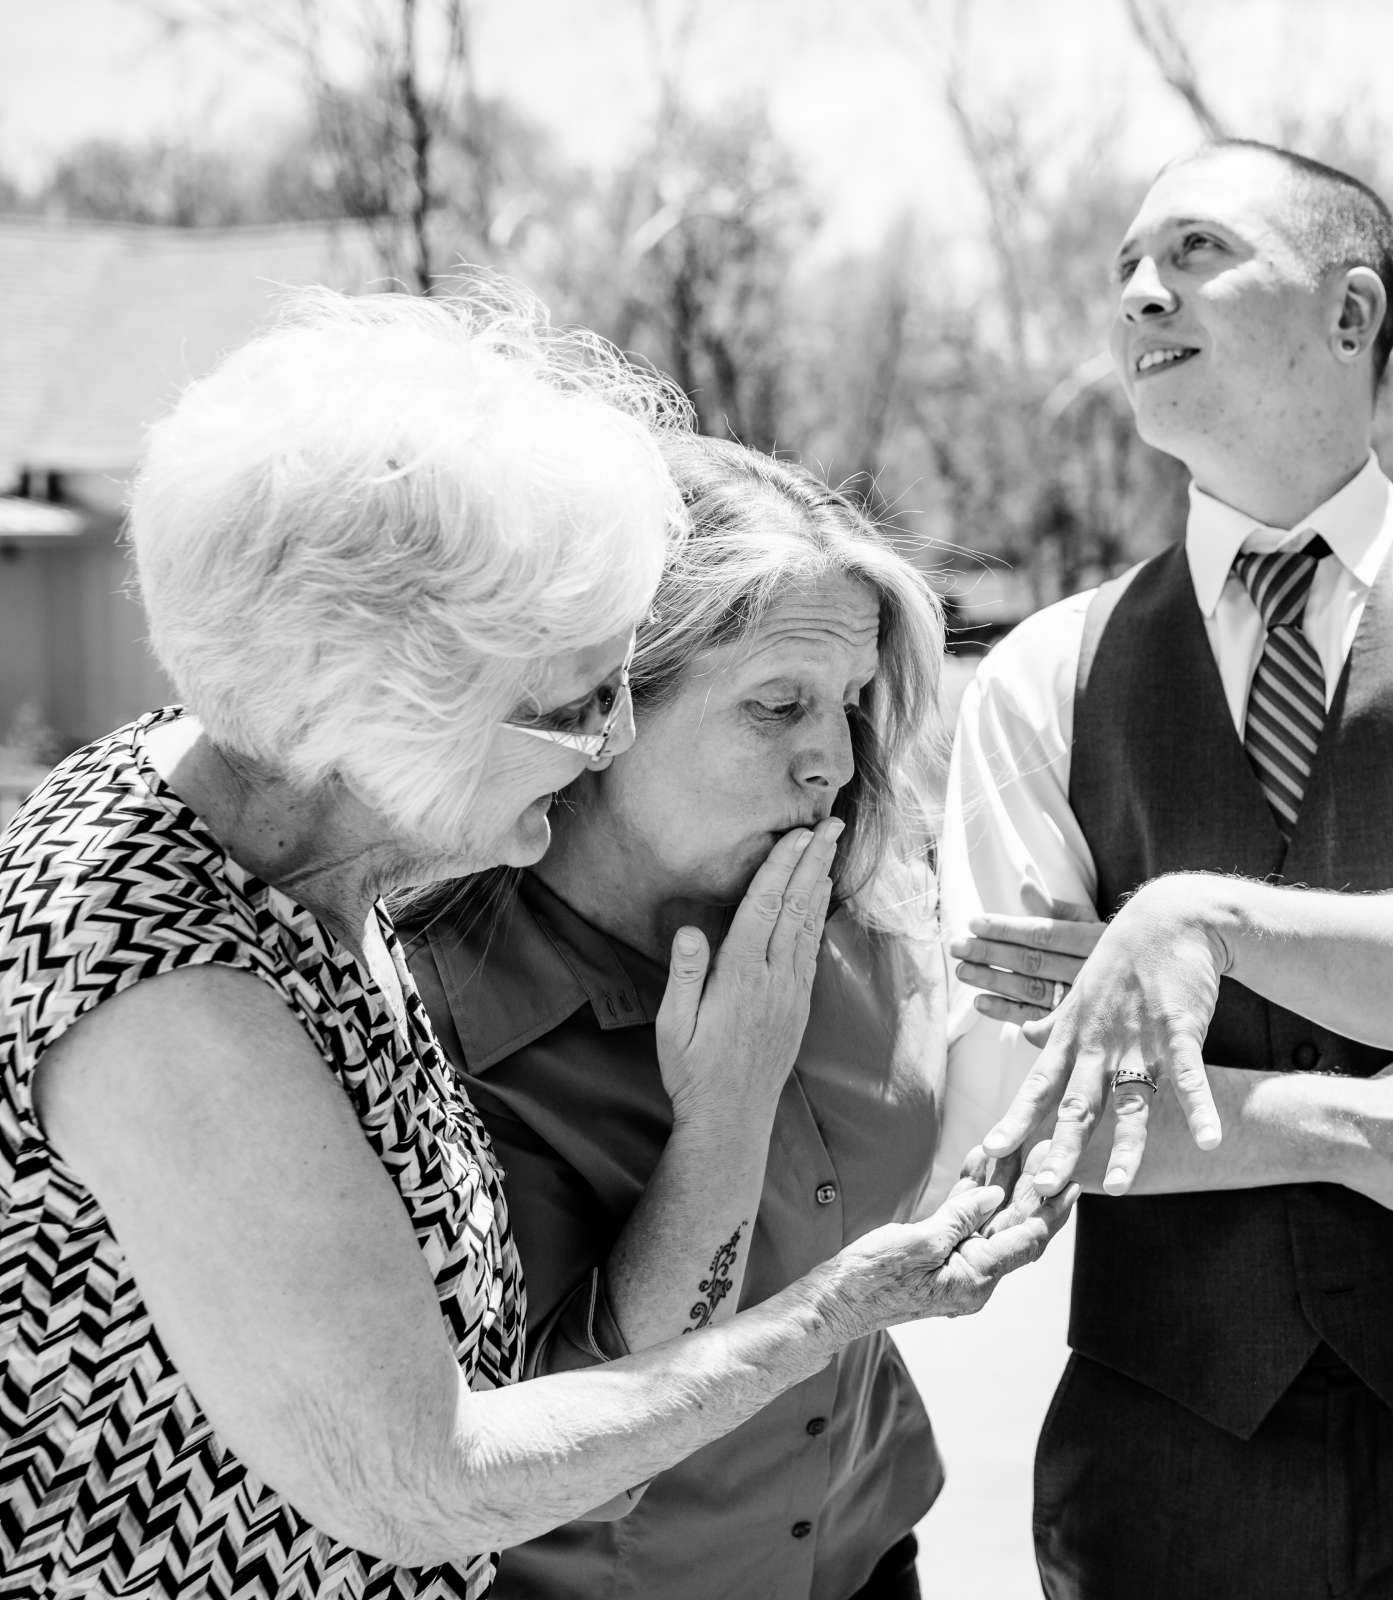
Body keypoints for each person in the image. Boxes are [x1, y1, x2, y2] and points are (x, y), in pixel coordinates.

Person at [0, 285, 1069, 1600]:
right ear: (385, 700)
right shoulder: (164, 989)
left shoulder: (300, 837)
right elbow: (426, 1479)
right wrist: (832, 1306)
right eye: (571, 703)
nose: (605, 744)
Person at [945, 139, 1393, 1599]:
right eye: (1125, 269)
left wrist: (1187, 947)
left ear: (1350, 312)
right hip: (1158, 1483)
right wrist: (1366, 1127)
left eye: (1196, 251)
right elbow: (1012, 1113)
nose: (1140, 294)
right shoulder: (1042, 677)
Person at [401, 435, 955, 1600]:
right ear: (606, 708)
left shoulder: (852, 905)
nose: (836, 763)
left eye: (851, 703)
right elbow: (558, 1470)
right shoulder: (431, 1015)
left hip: (873, 1557)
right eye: (777, 705)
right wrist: (727, 1114)